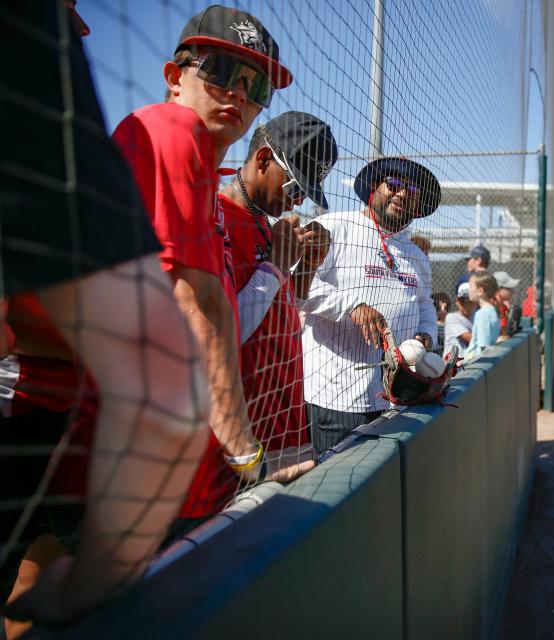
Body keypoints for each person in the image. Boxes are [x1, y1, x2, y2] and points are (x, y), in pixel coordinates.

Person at [1, 1, 208, 624]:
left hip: (60, 423)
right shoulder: (31, 39)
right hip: (44, 412)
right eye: (222, 73)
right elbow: (164, 389)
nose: (239, 97)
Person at [111, 5, 314, 536]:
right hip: (145, 466)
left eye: (257, 86)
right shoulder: (170, 141)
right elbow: (204, 319)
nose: (240, 93)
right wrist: (248, 451)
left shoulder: (211, 187)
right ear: (175, 78)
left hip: (203, 462)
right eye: (223, 73)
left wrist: (295, 271)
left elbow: (255, 326)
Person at [220, 113, 337, 474]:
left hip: (284, 427)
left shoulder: (265, 224)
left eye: (305, 192)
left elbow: (281, 320)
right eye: (294, 188)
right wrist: (274, 266)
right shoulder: (217, 216)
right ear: (263, 159)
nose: (298, 201)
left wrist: (306, 266)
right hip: (239, 446)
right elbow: (223, 333)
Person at [301, 157, 441, 454]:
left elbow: (425, 305)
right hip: (338, 396)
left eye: (413, 193)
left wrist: (428, 334)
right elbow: (298, 285)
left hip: (397, 396)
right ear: (374, 188)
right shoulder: (334, 227)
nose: (403, 194)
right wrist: (352, 305)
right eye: (395, 185)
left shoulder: (415, 254)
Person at [463, 270, 501, 359]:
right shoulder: (492, 311)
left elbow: (483, 349)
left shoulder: (482, 314)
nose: (469, 289)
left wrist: (463, 360)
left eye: (471, 286)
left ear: (480, 291)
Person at [443, 283, 476, 360]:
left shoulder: (477, 316)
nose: (466, 304)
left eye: (469, 301)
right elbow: (469, 338)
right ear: (457, 301)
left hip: (469, 362)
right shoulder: (451, 317)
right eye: (463, 301)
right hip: (452, 367)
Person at [493, 270, 522, 339]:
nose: (513, 291)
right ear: (498, 289)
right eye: (509, 288)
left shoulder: (504, 307)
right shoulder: (491, 308)